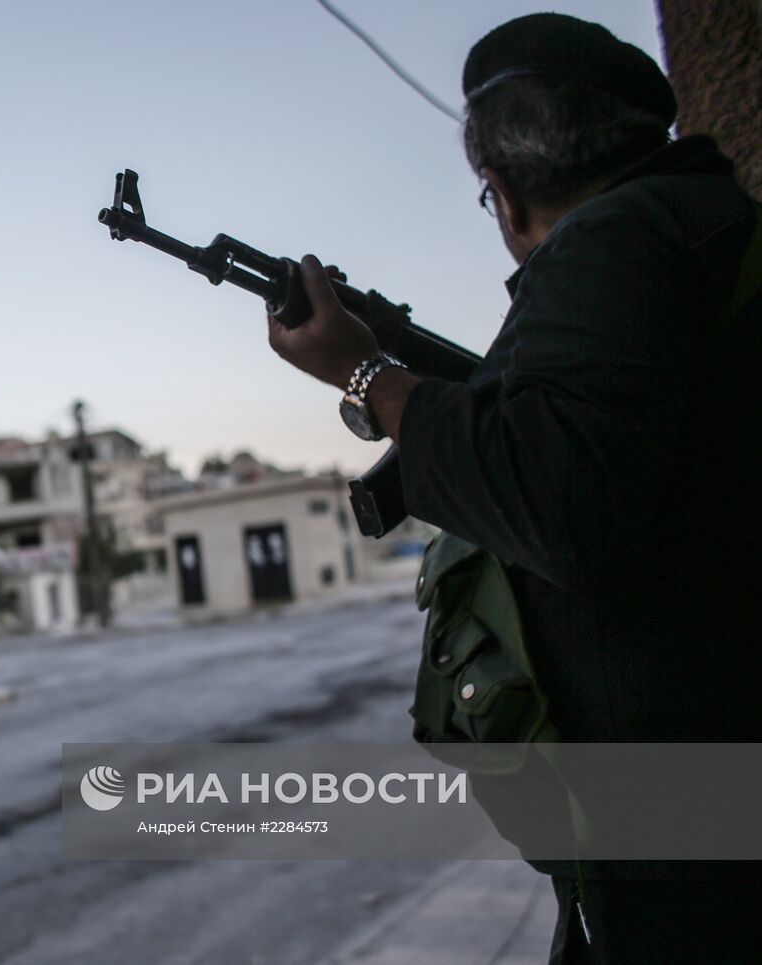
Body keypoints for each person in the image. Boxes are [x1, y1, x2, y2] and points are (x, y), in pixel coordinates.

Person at [265, 12, 761, 964]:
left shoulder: (613, 244)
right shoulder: (698, 228)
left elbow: (558, 496)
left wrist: (365, 375)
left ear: (501, 187)